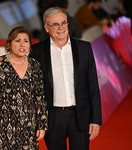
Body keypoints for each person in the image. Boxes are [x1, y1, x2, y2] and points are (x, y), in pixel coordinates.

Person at [30, 7, 102, 150]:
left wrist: (95, 119)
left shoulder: (84, 48)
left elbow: (92, 84)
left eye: (64, 23)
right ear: (46, 27)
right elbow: (30, 85)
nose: (61, 28)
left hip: (80, 115)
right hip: (52, 117)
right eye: (55, 24)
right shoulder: (36, 52)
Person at [0, 26, 48, 150]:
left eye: (25, 41)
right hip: (1, 126)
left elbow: (40, 97)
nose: (22, 44)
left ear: (30, 45)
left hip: (28, 126)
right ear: (9, 44)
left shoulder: (35, 65)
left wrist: (42, 125)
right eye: (17, 40)